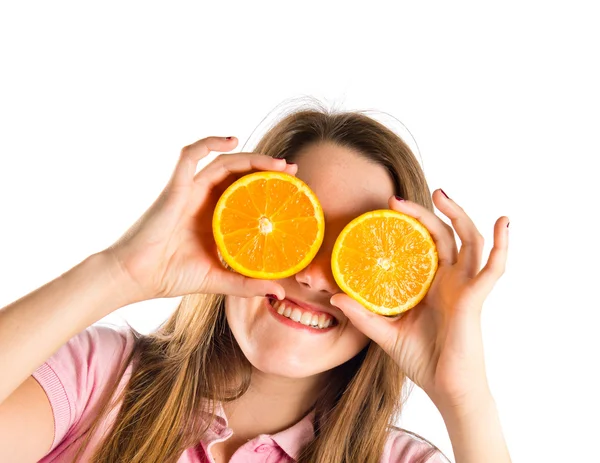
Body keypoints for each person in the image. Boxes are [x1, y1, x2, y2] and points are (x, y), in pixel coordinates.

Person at [0, 107, 512, 462]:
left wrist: (464, 398)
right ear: (236, 233)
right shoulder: (101, 382)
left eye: (352, 253)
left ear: (397, 289)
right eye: (293, 234)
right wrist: (120, 272)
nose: (312, 274)